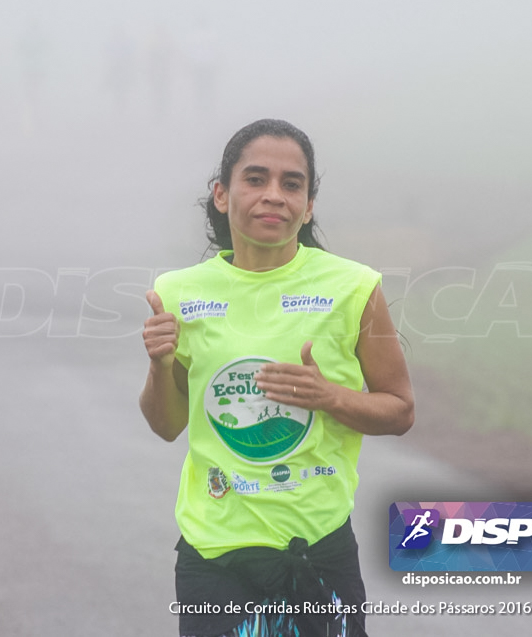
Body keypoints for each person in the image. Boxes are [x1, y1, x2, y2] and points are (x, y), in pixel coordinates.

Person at [140, 119, 415, 637]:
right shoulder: (178, 293)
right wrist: (159, 365)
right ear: (222, 195)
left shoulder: (352, 287)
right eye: (255, 179)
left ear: (308, 206)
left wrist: (329, 396)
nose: (274, 196)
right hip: (214, 556)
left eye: (292, 184)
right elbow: (166, 424)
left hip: (316, 554)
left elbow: (400, 410)